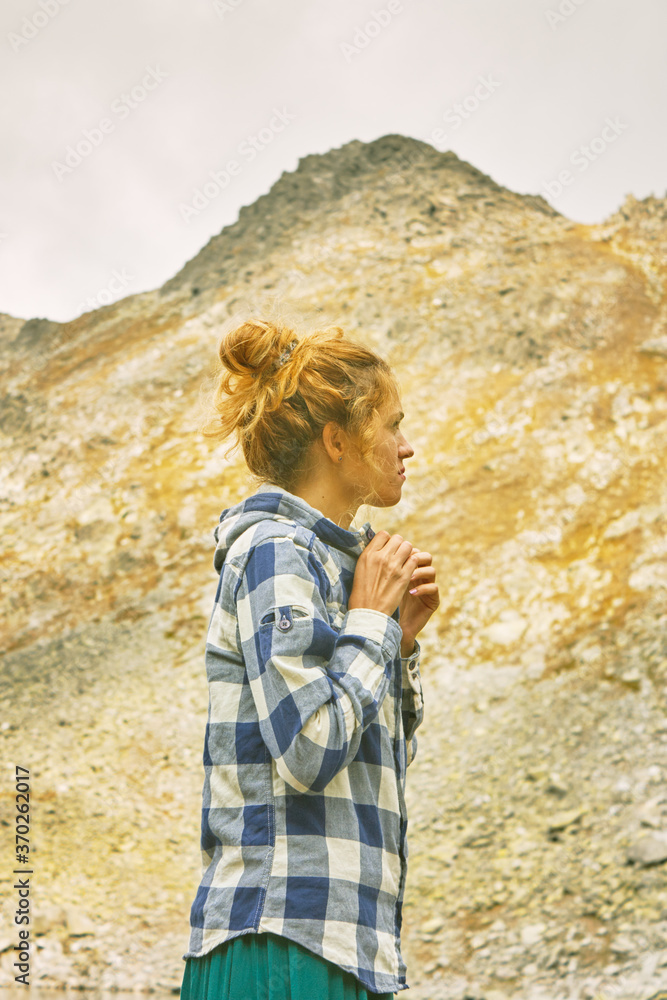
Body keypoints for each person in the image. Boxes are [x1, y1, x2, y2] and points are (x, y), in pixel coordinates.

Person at [180, 318, 440, 1000]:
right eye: (391, 425)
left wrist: (396, 642)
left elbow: (366, 766)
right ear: (336, 440)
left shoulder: (336, 564)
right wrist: (368, 624)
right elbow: (307, 747)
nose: (406, 447)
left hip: (340, 947)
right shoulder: (275, 549)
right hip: (281, 943)